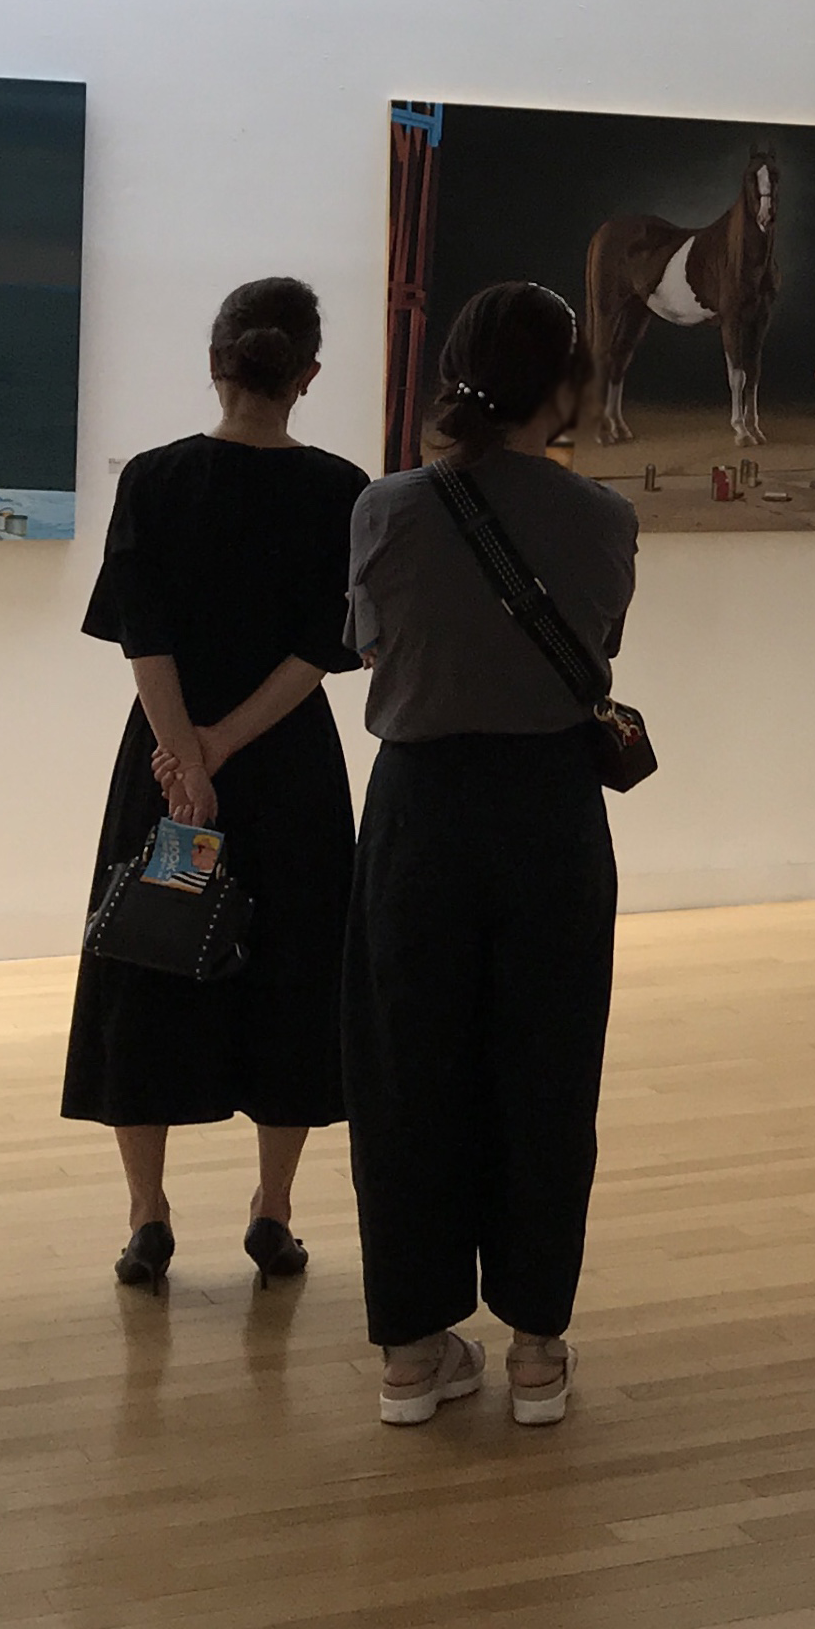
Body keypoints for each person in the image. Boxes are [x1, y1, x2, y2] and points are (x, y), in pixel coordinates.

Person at [345, 282, 638, 1430]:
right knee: (548, 1076)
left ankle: (411, 1357)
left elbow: (371, 645)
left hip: (417, 812)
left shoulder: (385, 508)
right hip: (550, 811)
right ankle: (537, 1353)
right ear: (564, 387)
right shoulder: (604, 518)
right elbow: (597, 645)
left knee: (407, 1079)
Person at [61, 278, 369, 1297]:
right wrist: (225, 744)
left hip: (164, 765)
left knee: (146, 966)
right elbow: (322, 646)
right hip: (286, 766)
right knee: (295, 974)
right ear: (307, 376)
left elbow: (142, 635)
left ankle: (147, 1216)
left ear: (215, 362)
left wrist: (186, 758)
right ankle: (272, 1211)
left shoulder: (154, 478)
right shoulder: (341, 489)